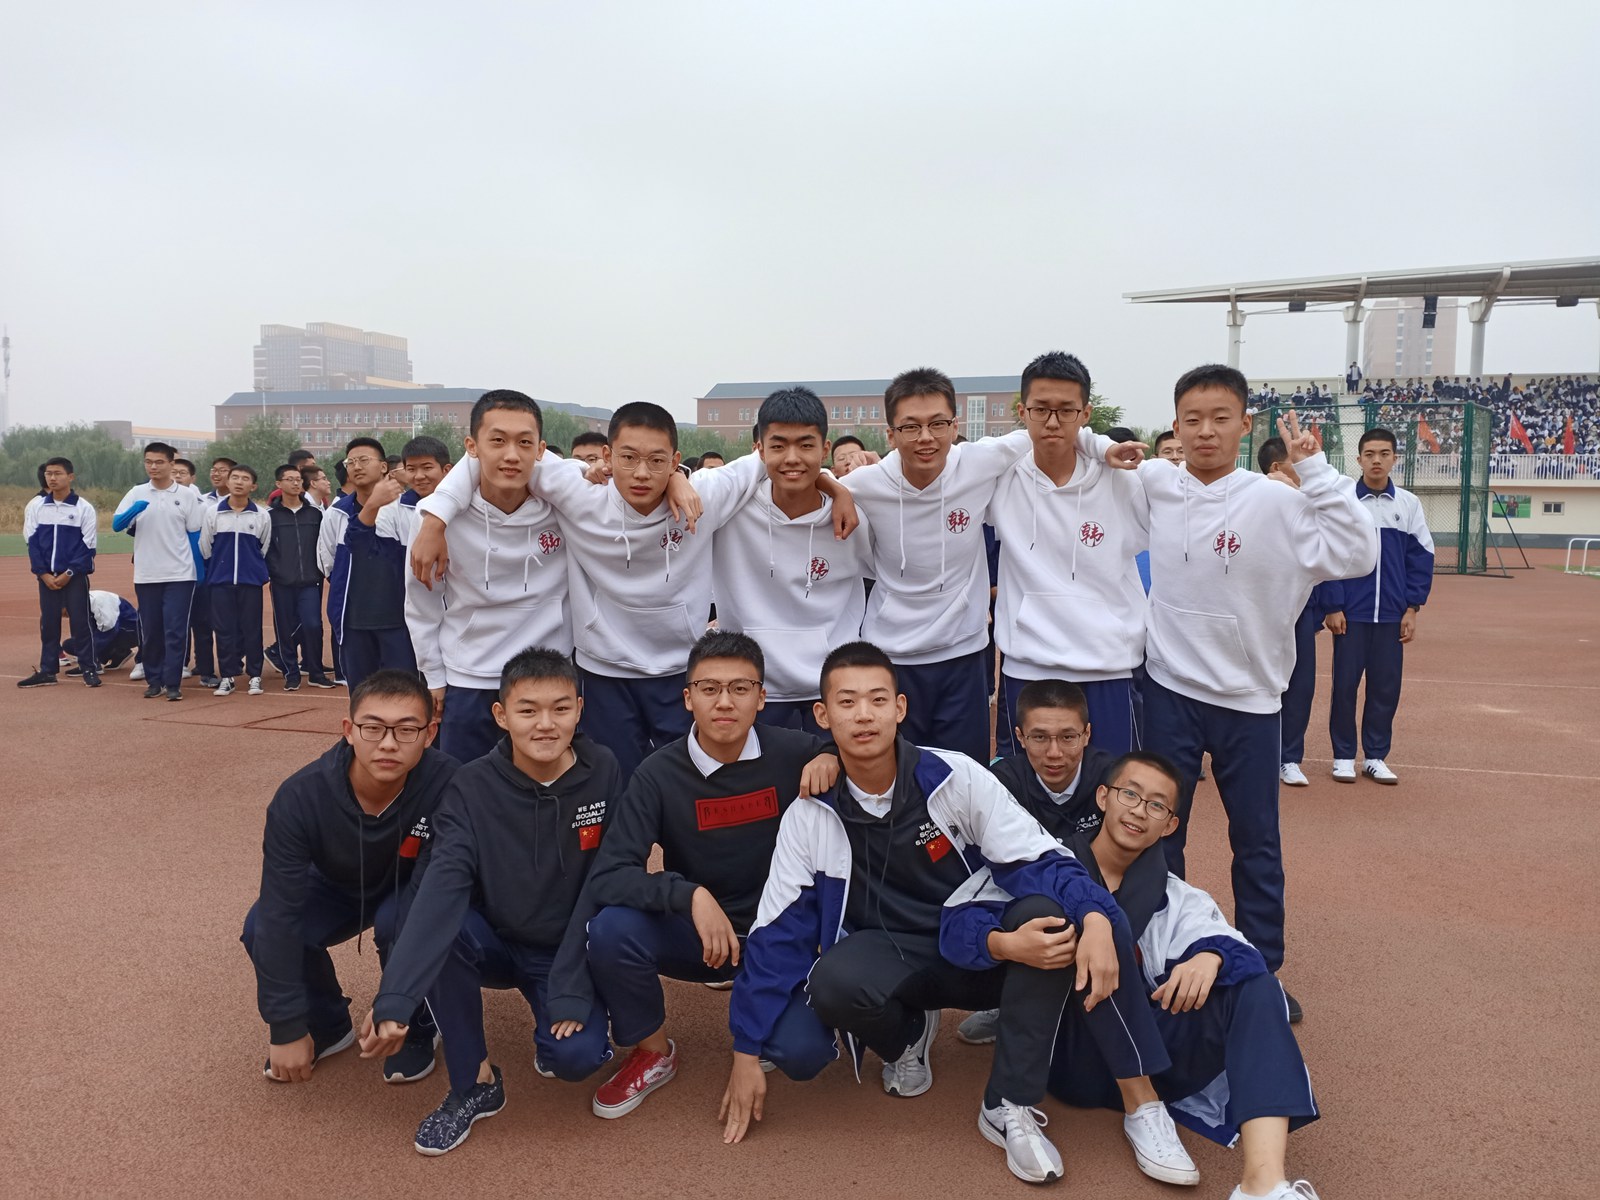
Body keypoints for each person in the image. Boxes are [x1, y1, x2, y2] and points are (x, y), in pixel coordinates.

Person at [722, 642, 1184, 1187]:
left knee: (1050, 914)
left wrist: (1100, 918)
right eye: (847, 702)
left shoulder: (954, 777)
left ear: (900, 707)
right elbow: (776, 933)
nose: (864, 714)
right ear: (823, 716)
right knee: (830, 984)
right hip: (893, 955)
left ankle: (1009, 1104)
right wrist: (745, 1050)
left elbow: (1041, 860)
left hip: (982, 946)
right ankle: (908, 1036)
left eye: (877, 700)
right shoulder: (809, 815)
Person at [1095, 365, 1377, 1020]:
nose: (1205, 431)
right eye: (1192, 419)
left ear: (1245, 425)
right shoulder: (1157, 483)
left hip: (1250, 701)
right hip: (1169, 690)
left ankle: (1260, 969)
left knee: (1255, 841)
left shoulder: (1275, 502)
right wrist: (1102, 449)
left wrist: (1315, 470)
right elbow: (1091, 464)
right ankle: (1160, 954)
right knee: (1157, 835)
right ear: (1175, 424)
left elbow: (1358, 554)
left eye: (1221, 418)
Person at [943, 752, 1320, 1200]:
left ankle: (1263, 1183)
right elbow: (955, 923)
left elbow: (1244, 955)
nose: (1140, 811)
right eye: (1130, 794)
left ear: (1171, 825)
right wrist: (1005, 944)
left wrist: (1213, 956)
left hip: (1156, 1056)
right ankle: (1140, 1103)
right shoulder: (1045, 866)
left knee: (1258, 987)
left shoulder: (1177, 895)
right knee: (1072, 920)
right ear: (1103, 797)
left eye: (1156, 805)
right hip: (1068, 1052)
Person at [413, 400, 855, 781]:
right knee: (613, 783)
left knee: (690, 781)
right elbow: (493, 457)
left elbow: (781, 458)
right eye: (628, 458)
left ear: (675, 459)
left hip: (678, 669)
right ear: (608, 456)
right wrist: (436, 517)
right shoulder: (578, 494)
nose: (642, 473)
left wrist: (834, 486)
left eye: (657, 461)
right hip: (604, 671)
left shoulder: (705, 496)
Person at [357, 648, 621, 1156]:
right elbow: (442, 885)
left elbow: (603, 883)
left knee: (576, 1059)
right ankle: (473, 1081)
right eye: (528, 710)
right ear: (501, 715)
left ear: (579, 710)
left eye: (560, 708)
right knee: (443, 925)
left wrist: (570, 981)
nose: (545, 724)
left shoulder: (604, 770)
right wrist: (397, 996)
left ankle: (554, 1026)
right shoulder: (470, 786)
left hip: (562, 948)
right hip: (494, 940)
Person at [572, 632, 836, 1119]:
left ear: (762, 697)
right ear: (688, 697)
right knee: (611, 930)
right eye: (709, 688)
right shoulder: (656, 774)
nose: (725, 702)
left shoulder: (794, 752)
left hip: (780, 939)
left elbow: (864, 745)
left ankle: (771, 1023)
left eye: (740, 688)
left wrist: (831, 753)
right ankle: (653, 1051)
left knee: (804, 1054)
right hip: (702, 938)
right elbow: (610, 875)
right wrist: (688, 894)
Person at [240, 670, 455, 1085]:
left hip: (411, 885)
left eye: (406, 729)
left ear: (429, 734)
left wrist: (397, 997)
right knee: (259, 926)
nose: (388, 743)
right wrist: (285, 1024)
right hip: (337, 884)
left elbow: (434, 897)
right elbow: (280, 910)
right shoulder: (300, 796)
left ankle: (418, 1023)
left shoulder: (450, 785)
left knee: (399, 922)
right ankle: (328, 1023)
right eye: (372, 728)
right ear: (349, 730)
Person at [839, 368, 1032, 761]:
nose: (926, 437)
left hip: (963, 652)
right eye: (910, 427)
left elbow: (1046, 430)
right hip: (891, 656)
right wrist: (833, 486)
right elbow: (801, 480)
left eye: (937, 424)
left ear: (955, 426)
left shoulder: (979, 462)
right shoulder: (865, 484)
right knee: (895, 773)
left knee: (964, 773)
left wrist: (1099, 448)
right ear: (890, 435)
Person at [989, 352, 1148, 758]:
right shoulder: (999, 477)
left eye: (1066, 411)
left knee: (1114, 784)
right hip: (1029, 666)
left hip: (1108, 667)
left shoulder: (1125, 481)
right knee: (1028, 787)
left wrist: (1099, 445)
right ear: (1022, 411)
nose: (1053, 422)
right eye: (1041, 409)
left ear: (1085, 413)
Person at [405, 394, 571, 762]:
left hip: (547, 675)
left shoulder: (566, 506)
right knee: (465, 785)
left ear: (540, 450)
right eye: (497, 440)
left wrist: (676, 480)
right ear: (472, 447)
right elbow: (422, 604)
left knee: (548, 785)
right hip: (469, 678)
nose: (511, 454)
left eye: (524, 442)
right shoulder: (433, 519)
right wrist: (433, 674)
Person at [956, 677, 1118, 1046]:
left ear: (1087, 734)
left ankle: (1117, 999)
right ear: (1020, 736)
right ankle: (1010, 1002)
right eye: (1040, 737)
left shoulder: (1112, 778)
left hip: (1100, 895)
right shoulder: (998, 784)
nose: (1054, 753)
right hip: (1029, 902)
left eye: (1068, 737)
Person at [711, 388, 871, 735]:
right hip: (755, 687)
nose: (793, 458)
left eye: (806, 445)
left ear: (825, 449)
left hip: (833, 686)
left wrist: (838, 488)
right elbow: (687, 486)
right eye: (779, 446)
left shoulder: (854, 516)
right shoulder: (731, 510)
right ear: (759, 450)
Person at [1321, 428, 1434, 784]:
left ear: (1394, 459)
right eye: (1369, 454)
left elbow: (1421, 558)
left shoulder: (1408, 504)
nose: (1376, 460)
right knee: (1345, 687)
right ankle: (1343, 756)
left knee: (1385, 688)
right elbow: (1329, 553)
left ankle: (1375, 756)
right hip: (1351, 614)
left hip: (1391, 615)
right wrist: (1333, 604)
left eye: (1384, 454)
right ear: (1358, 459)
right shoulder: (1344, 501)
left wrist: (1412, 607)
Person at [113, 442, 206, 700]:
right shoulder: (137, 492)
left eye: (159, 462)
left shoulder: (186, 495)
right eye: (148, 462)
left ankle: (173, 682)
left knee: (175, 630)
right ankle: (154, 680)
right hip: (147, 574)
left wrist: (199, 572)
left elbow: (194, 534)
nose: (153, 467)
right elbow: (117, 524)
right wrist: (136, 509)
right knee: (151, 630)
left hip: (180, 574)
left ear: (171, 464)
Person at [1256, 438, 1320, 788]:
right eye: (1298, 464)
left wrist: (1327, 609)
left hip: (1300, 612)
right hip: (1259, 612)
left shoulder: (1309, 504)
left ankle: (1290, 757)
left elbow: (1328, 560)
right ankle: (1254, 753)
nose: (1305, 471)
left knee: (1300, 684)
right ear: (1276, 468)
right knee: (1256, 682)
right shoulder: (1253, 504)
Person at [318, 437, 393, 692]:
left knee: (403, 691)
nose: (356, 466)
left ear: (383, 466)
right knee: (361, 692)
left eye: (364, 460)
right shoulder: (336, 513)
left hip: (398, 622)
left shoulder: (404, 509)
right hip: (353, 620)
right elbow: (328, 561)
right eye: (350, 462)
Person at [20, 456, 99, 688]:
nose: (52, 478)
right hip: (47, 578)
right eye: (49, 474)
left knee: (81, 623)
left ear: (70, 477)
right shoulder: (37, 506)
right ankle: (48, 670)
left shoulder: (83, 508)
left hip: (74, 577)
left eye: (57, 473)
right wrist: (42, 573)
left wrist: (69, 573)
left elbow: (88, 547)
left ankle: (89, 668)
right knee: (49, 623)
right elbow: (32, 543)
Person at [201, 464, 273, 696]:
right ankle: (228, 676)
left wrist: (252, 569)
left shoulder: (261, 515)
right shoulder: (213, 512)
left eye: (245, 478)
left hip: (250, 583)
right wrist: (219, 570)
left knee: (252, 630)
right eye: (235, 477)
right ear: (228, 481)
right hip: (220, 582)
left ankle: (255, 676)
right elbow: (205, 547)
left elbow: (264, 548)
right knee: (224, 631)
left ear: (253, 486)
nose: (239, 482)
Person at [266, 463, 333, 691]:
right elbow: (265, 547)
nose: (296, 483)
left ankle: (315, 672)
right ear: (279, 483)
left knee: (312, 625)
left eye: (298, 479)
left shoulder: (315, 513)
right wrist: (275, 570)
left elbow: (323, 544)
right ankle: (291, 673)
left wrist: (321, 571)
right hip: (281, 581)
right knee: (284, 628)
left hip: (310, 581)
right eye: (290, 479)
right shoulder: (270, 516)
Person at [189, 455, 237, 688]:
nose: (216, 474)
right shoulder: (202, 502)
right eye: (214, 469)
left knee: (232, 621)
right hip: (206, 568)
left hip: (232, 570)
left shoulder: (241, 503)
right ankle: (205, 666)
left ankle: (234, 662)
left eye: (223, 470)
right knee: (203, 621)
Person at [85, 589, 141, 672]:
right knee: (72, 645)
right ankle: (119, 654)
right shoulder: (81, 603)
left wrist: (88, 656)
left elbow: (108, 628)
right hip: (116, 629)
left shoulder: (96, 601)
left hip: (131, 631)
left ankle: (93, 663)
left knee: (82, 646)